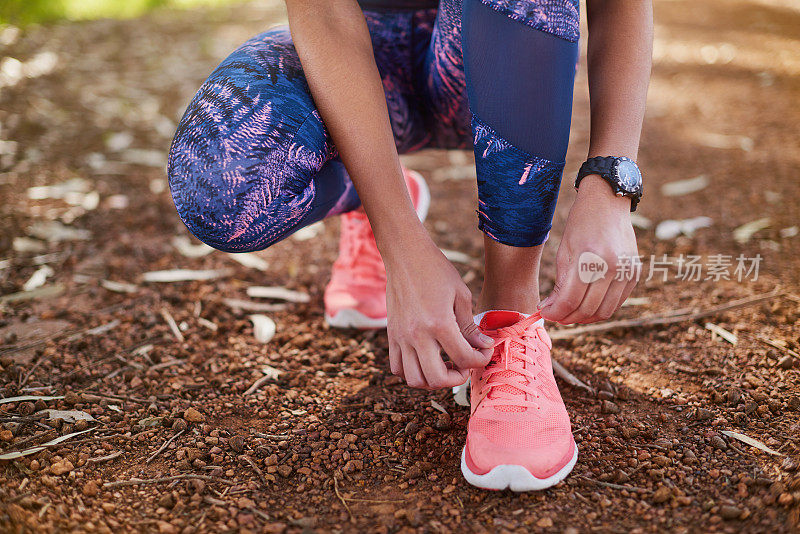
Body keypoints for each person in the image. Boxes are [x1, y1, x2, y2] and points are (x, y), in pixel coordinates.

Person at [167, 0, 652, 491]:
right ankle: (376, 196)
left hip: (499, 54)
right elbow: (326, 15)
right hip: (364, 53)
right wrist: (399, 243)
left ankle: (508, 319)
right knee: (221, 186)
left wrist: (611, 181)